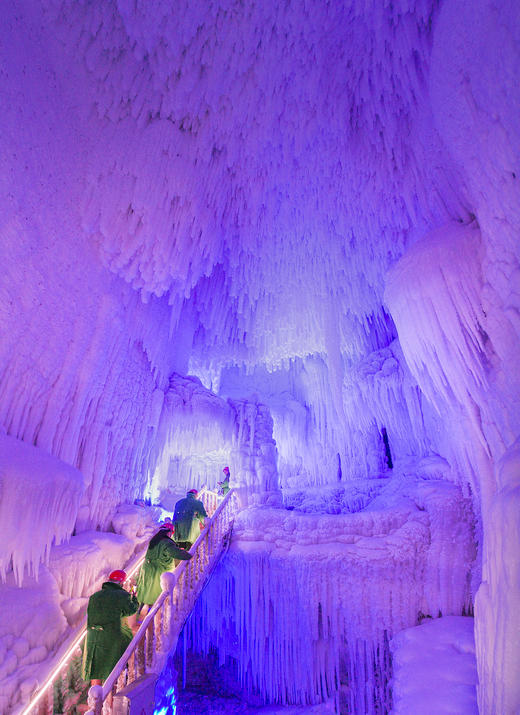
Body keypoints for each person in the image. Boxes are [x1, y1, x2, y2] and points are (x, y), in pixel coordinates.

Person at [82, 569, 138, 686]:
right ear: (122, 583)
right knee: (110, 670)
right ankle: (108, 702)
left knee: (96, 670)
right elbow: (131, 610)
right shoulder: (122, 595)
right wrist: (134, 598)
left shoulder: (94, 596)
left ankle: (94, 701)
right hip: (110, 637)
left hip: (93, 636)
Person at [135, 523, 192, 617]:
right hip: (159, 570)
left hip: (148, 569)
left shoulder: (155, 540)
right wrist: (188, 555)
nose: (171, 535)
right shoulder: (166, 542)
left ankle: (139, 611)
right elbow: (174, 552)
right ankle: (153, 615)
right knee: (157, 593)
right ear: (168, 532)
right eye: (171, 532)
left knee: (146, 590)